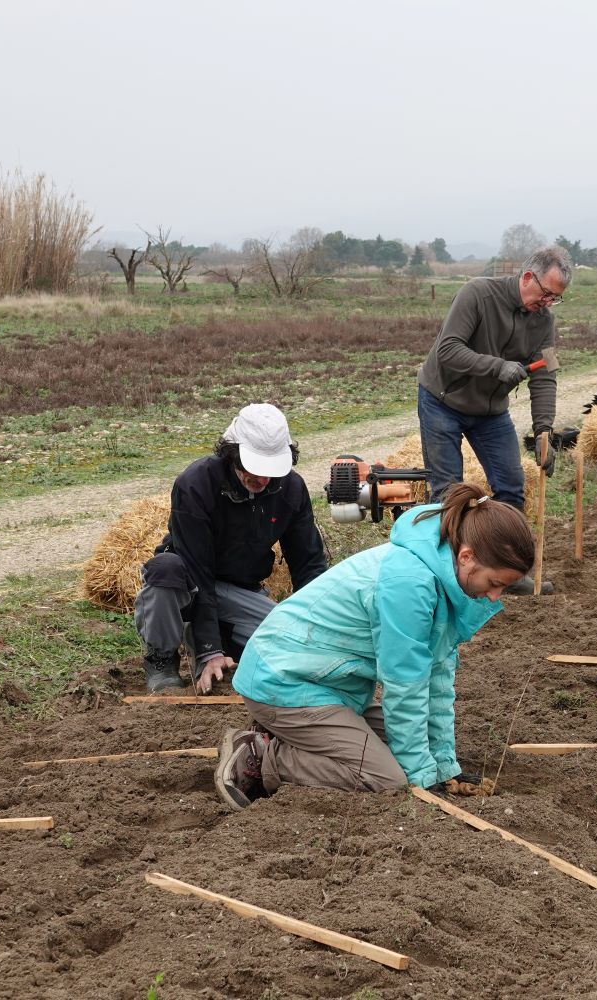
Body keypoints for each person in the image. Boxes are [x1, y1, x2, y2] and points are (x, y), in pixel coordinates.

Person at [212, 484, 535, 808]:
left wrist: (444, 768)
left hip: (326, 683)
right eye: (495, 584)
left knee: (411, 748)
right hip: (282, 680)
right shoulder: (409, 585)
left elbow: (435, 681)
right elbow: (404, 688)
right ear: (467, 557)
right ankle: (265, 756)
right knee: (389, 779)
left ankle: (289, 736)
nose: (495, 597)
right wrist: (422, 782)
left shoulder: (445, 580)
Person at [133, 403, 328, 694]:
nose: (262, 480)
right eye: (254, 468)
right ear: (232, 453)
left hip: (240, 591)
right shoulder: (195, 484)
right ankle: (161, 659)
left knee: (288, 645)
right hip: (190, 585)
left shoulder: (292, 489)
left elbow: (308, 564)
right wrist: (209, 651)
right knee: (165, 569)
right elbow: (198, 573)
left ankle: (217, 640)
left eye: (270, 471)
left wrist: (321, 628)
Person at [416, 245, 569, 595]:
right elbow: (448, 349)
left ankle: (504, 568)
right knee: (448, 492)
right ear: (527, 277)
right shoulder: (478, 293)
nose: (547, 303)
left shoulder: (544, 321)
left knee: (511, 484)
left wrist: (543, 430)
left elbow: (546, 374)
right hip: (443, 400)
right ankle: (445, 577)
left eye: (555, 299)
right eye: (546, 294)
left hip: (490, 411)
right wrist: (498, 366)